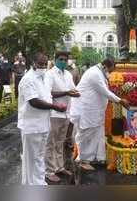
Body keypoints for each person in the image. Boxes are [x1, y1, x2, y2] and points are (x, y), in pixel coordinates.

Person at [70, 57, 130, 171]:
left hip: (94, 111)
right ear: (104, 66)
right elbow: (105, 92)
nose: (111, 73)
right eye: (110, 70)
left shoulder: (99, 72)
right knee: (86, 134)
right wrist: (121, 101)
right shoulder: (94, 74)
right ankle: (82, 160)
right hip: (87, 111)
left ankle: (92, 158)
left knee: (95, 134)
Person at [17, 52, 67, 185]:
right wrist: (55, 106)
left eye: (45, 64)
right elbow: (33, 101)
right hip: (31, 126)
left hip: (43, 124)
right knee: (31, 159)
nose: (43, 66)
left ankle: (39, 183)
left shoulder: (43, 77)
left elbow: (46, 94)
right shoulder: (28, 79)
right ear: (33, 63)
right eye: (40, 64)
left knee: (39, 157)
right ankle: (30, 186)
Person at [44, 51, 79, 183]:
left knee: (60, 142)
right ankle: (49, 171)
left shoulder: (68, 74)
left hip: (66, 113)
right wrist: (66, 92)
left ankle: (59, 167)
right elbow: (47, 93)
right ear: (55, 59)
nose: (63, 62)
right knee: (50, 143)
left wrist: (77, 93)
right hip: (54, 113)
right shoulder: (50, 74)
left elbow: (73, 89)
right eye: (61, 59)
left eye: (65, 59)